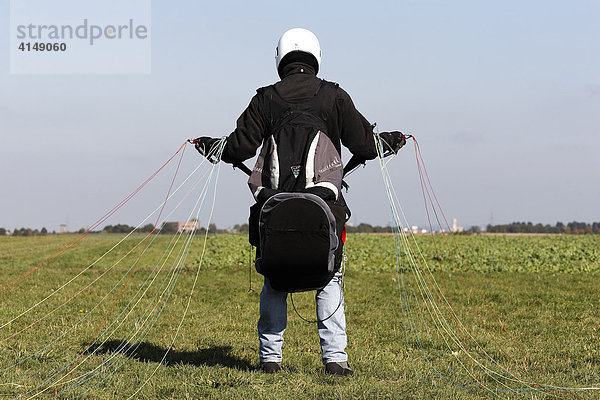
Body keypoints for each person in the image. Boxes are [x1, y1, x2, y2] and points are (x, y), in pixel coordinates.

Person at [194, 28, 405, 376]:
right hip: (326, 211)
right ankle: (336, 361)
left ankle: (270, 360)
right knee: (330, 276)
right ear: (315, 56)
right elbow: (366, 145)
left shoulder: (265, 99)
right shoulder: (335, 97)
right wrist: (390, 141)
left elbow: (239, 148)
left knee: (275, 278)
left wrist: (211, 146)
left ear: (280, 58)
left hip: (273, 208)